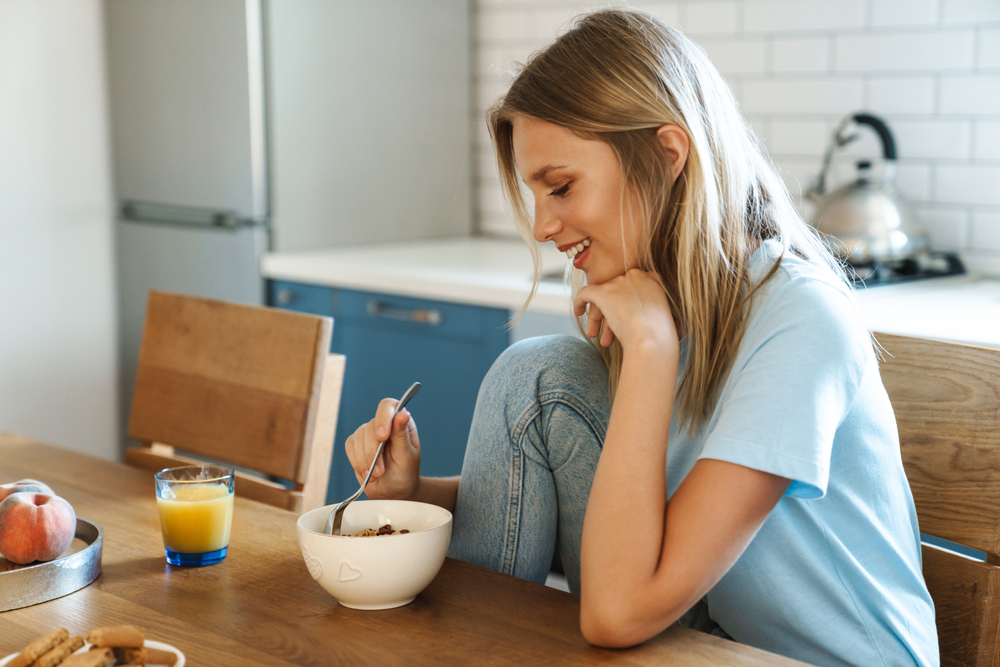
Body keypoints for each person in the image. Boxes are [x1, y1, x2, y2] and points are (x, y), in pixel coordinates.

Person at [344, 9, 938, 667]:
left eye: (561, 186)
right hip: (717, 640)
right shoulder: (657, 302)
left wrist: (651, 353)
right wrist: (416, 495)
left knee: (543, 378)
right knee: (537, 375)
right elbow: (634, 512)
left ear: (666, 154)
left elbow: (615, 612)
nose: (543, 225)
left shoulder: (799, 322)